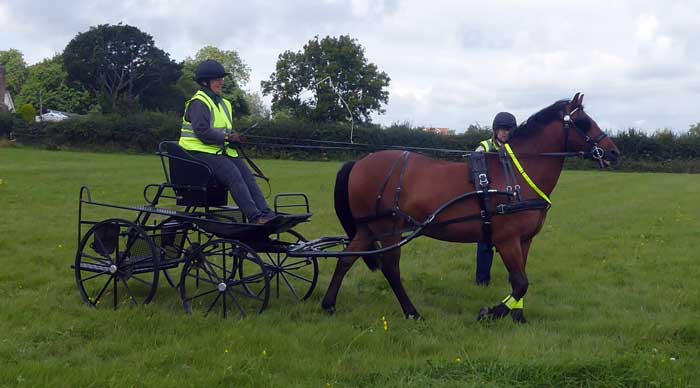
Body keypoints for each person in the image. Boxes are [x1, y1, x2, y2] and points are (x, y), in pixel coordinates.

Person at [179, 59, 278, 224]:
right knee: (234, 176)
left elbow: (224, 129)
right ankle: (255, 217)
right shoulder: (199, 102)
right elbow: (202, 131)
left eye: (221, 79)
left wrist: (235, 137)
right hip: (197, 153)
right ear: (205, 82)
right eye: (217, 79)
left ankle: (267, 213)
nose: (221, 82)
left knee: (248, 176)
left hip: (219, 151)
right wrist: (226, 138)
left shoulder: (225, 103)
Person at [474, 111, 517, 285]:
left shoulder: (516, 149)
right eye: (501, 129)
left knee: (513, 241)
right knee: (485, 242)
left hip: (509, 200)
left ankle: (515, 277)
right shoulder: (484, 146)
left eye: (508, 129)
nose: (504, 133)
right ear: (495, 130)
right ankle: (482, 281)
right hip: (489, 199)